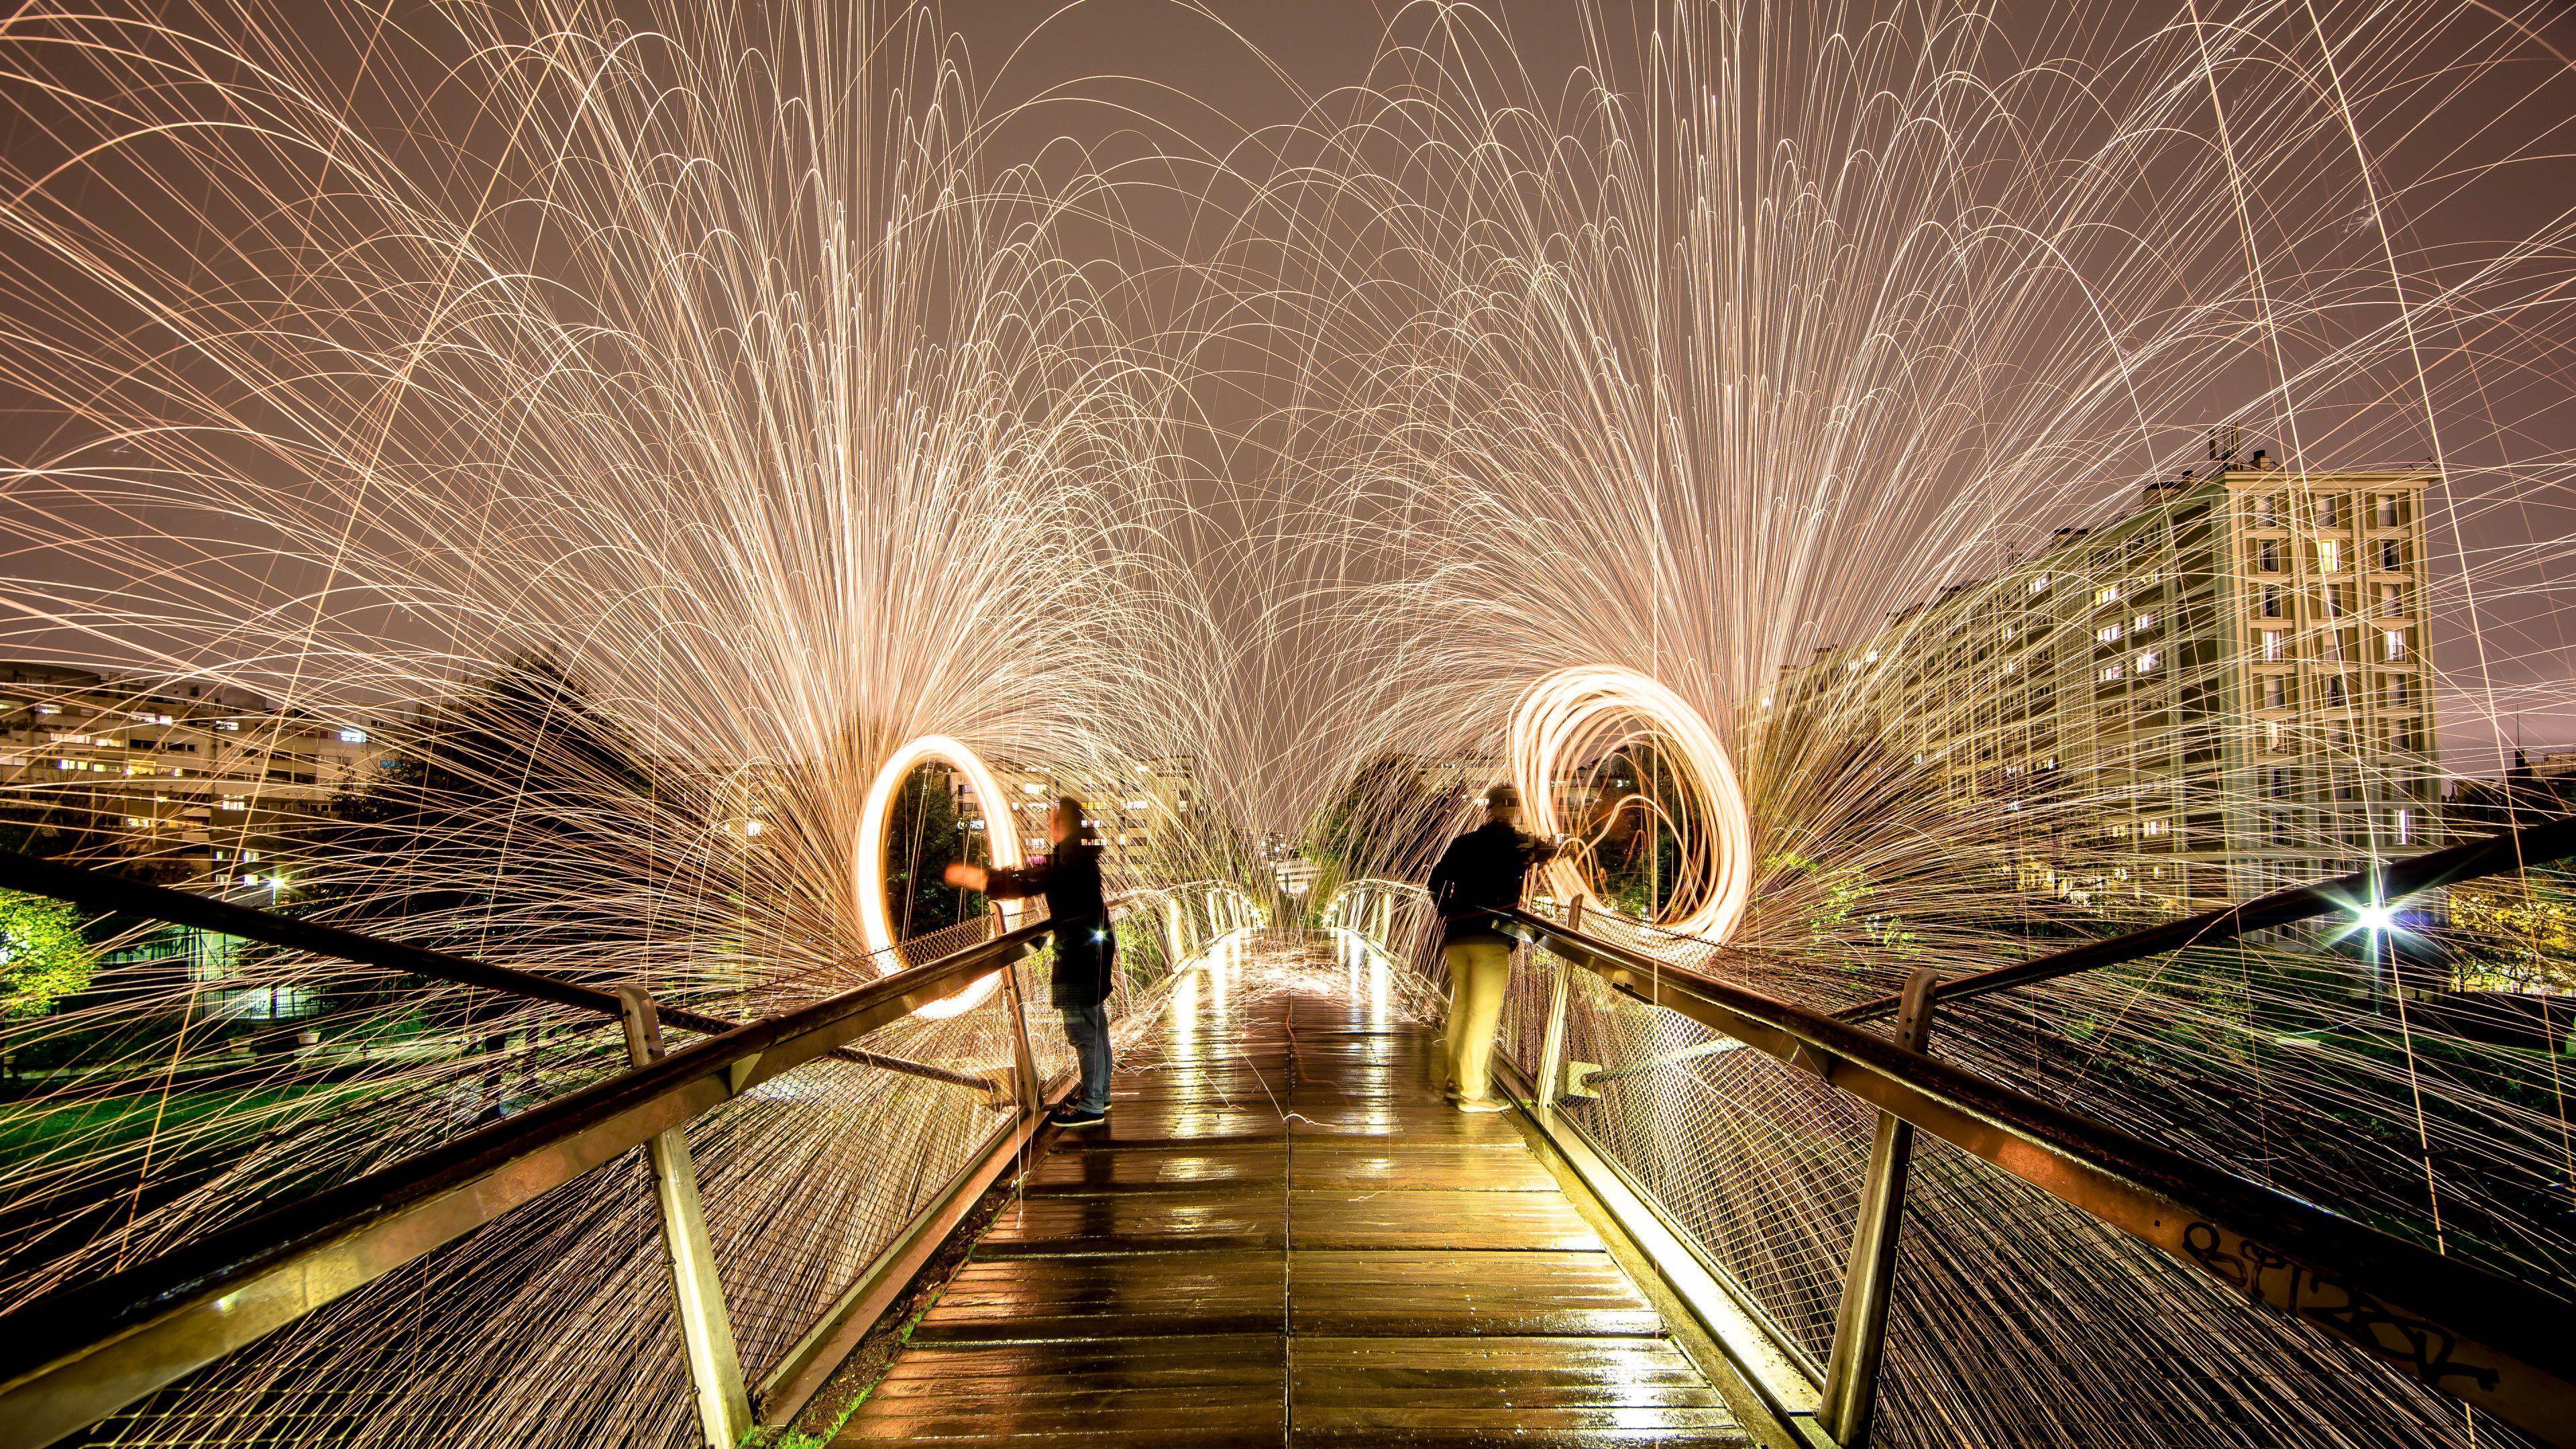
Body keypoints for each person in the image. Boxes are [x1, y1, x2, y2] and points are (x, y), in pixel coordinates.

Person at [944, 796, 1117, 1128]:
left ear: (1061, 823)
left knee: (1083, 1032)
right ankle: (1101, 1094)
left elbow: (1029, 881)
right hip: (1093, 952)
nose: (1048, 823)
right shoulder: (1079, 855)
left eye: (1052, 818)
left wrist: (981, 880)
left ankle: (1093, 1104)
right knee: (1096, 1027)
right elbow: (1037, 873)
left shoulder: (1068, 859)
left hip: (1078, 957)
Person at [1424, 782, 1560, 1112]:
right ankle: (1472, 1093)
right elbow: (1550, 853)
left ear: (1488, 807)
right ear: (1514, 810)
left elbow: (1435, 881)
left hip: (1457, 935)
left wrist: (1450, 911)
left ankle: (1455, 1081)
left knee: (1460, 1010)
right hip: (1493, 936)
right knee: (1482, 1016)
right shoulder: (1518, 846)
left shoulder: (1464, 843)